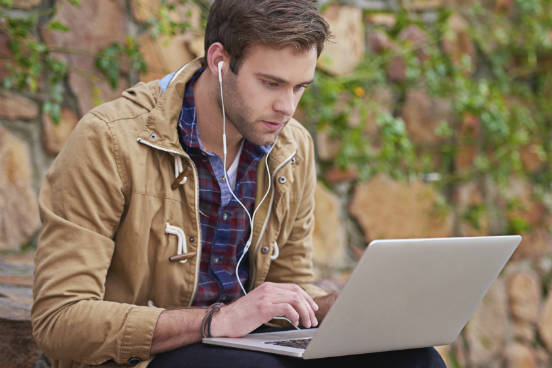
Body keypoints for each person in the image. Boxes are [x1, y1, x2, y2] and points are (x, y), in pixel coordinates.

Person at [31, 1, 446, 367]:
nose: (287, 107)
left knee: (415, 359)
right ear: (219, 60)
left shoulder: (291, 146)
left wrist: (327, 308)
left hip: (254, 349)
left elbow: (290, 280)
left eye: (300, 87)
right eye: (271, 83)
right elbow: (59, 319)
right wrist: (216, 320)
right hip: (150, 356)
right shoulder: (110, 140)